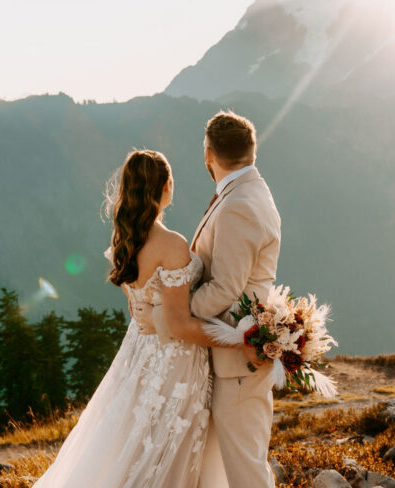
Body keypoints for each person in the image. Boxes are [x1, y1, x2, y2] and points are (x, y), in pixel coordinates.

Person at [32, 148, 252, 488]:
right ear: (165, 186)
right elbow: (178, 325)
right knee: (164, 451)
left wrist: (151, 314)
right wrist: (237, 339)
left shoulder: (125, 239)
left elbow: (138, 306)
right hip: (175, 362)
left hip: (138, 353)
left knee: (134, 443)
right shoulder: (172, 245)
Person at [142, 110, 282, 488]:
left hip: (238, 362)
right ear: (252, 151)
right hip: (228, 357)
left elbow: (225, 288)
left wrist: (172, 314)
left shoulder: (240, 204)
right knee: (231, 465)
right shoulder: (246, 191)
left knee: (246, 470)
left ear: (208, 154)